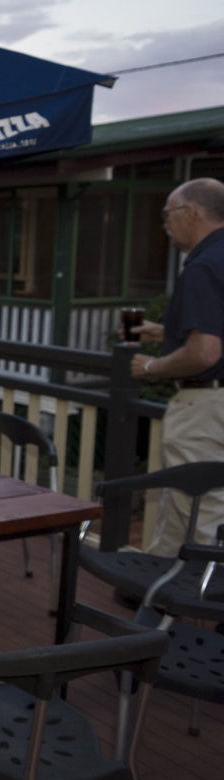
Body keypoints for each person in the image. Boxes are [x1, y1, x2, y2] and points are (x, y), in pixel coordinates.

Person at [129, 177, 224, 555]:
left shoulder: (202, 266)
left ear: (192, 214)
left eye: (168, 216)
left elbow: (204, 353)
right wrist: (166, 331)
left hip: (205, 406)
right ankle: (159, 585)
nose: (165, 226)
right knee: (182, 499)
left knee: (203, 505)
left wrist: (150, 368)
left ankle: (202, 600)